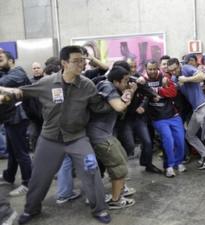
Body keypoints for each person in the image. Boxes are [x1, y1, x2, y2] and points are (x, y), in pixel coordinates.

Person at [0, 45, 113, 224]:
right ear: (64, 63)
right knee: (39, 176)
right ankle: (31, 209)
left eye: (83, 60)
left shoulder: (87, 85)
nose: (81, 64)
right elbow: (24, 92)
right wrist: (6, 92)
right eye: (77, 61)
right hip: (50, 139)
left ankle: (99, 209)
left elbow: (98, 106)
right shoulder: (47, 82)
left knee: (91, 171)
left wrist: (118, 102)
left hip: (77, 138)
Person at [167, 58, 205, 178]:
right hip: (196, 110)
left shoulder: (186, 69)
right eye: (171, 71)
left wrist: (187, 79)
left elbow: (202, 76)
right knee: (189, 135)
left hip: (204, 106)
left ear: (179, 65)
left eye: (175, 69)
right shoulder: (175, 78)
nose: (174, 72)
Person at [87, 66, 136, 209]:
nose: (127, 83)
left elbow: (121, 108)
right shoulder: (107, 86)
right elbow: (120, 107)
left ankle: (119, 192)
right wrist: (130, 92)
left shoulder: (109, 87)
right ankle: (116, 200)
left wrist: (128, 93)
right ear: (116, 81)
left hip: (105, 134)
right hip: (99, 135)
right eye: (125, 81)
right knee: (118, 167)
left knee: (121, 160)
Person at [143, 60, 186, 177]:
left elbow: (172, 92)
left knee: (180, 141)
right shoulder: (143, 80)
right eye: (149, 69)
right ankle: (169, 166)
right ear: (146, 69)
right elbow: (143, 92)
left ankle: (178, 162)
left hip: (173, 115)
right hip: (158, 117)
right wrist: (152, 93)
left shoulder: (165, 77)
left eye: (154, 69)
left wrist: (157, 91)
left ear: (158, 68)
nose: (152, 71)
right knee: (168, 140)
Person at [0, 50, 32, 197]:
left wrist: (4, 88)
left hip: (18, 117)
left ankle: (28, 182)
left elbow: (2, 84)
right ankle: (9, 176)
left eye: (1, 59)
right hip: (9, 117)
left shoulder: (17, 73)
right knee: (12, 150)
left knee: (21, 152)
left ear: (11, 61)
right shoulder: (6, 74)